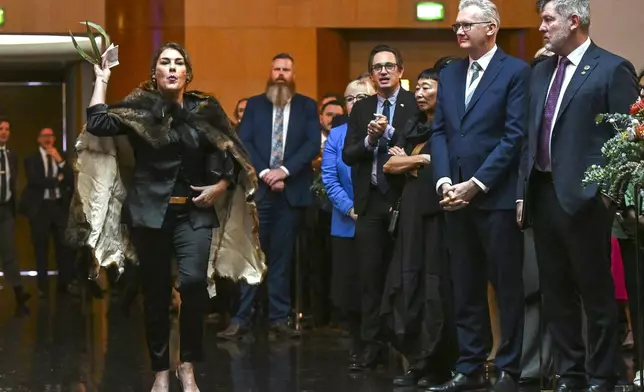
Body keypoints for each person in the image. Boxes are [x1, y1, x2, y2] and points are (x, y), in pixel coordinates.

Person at [67, 42, 265, 392]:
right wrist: (102, 77)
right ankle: (161, 370)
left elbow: (232, 154)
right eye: (164, 62)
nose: (172, 68)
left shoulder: (206, 109)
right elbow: (97, 122)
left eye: (178, 63)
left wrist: (219, 186)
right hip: (149, 213)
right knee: (156, 294)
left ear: (188, 72)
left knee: (192, 285)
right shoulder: (140, 109)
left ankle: (186, 365)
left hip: (195, 212)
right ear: (155, 73)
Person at [518, 1, 639, 391]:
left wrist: (605, 195)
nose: (541, 27)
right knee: (555, 292)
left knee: (596, 293)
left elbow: (627, 140)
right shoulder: (540, 72)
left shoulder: (611, 68)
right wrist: (523, 192)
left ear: (574, 21)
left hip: (587, 200)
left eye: (548, 19)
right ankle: (570, 374)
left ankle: (601, 375)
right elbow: (528, 135)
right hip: (543, 193)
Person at [428, 1, 530, 391]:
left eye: (467, 25)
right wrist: (443, 182)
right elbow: (439, 132)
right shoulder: (450, 73)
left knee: (506, 286)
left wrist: (476, 183)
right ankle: (469, 365)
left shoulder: (516, 72)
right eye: (456, 25)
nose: (459, 31)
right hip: (453, 196)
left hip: (496, 197)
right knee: (465, 285)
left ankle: (510, 367)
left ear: (491, 28)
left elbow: (514, 136)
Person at [218, 53, 320, 340]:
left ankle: (278, 318)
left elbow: (313, 144)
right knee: (252, 257)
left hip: (291, 194)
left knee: (281, 259)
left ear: (293, 74)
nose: (280, 74)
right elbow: (244, 141)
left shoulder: (307, 107)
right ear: (270, 71)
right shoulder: (255, 106)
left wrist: (284, 171)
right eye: (276, 68)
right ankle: (241, 318)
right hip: (259, 193)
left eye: (286, 69)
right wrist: (265, 172)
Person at [342, 44, 417, 370]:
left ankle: (406, 344)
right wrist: (371, 140)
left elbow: (417, 142)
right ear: (371, 75)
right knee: (369, 277)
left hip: (404, 200)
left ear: (401, 70)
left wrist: (389, 132)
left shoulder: (415, 104)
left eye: (389, 65)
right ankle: (373, 346)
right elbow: (348, 154)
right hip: (371, 202)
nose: (383, 71)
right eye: (377, 67)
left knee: (404, 276)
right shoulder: (362, 109)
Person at [381, 68, 457, 388]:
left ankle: (439, 363)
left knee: (436, 289)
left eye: (427, 87)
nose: (420, 93)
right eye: (418, 89)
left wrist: (413, 161)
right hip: (410, 218)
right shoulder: (413, 127)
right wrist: (423, 160)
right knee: (406, 286)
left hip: (438, 216)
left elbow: (446, 162)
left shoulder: (453, 128)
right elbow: (389, 164)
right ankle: (416, 361)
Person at [321, 78, 375, 368]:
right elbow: (329, 178)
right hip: (346, 223)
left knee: (375, 286)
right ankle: (358, 344)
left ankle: (377, 344)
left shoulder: (381, 131)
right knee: (349, 290)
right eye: (351, 98)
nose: (356, 103)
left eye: (362, 97)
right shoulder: (337, 135)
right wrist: (351, 208)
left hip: (378, 221)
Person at [20, 127, 75, 297]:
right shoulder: (31, 159)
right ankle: (42, 287)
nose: (48, 138)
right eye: (44, 135)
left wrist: (59, 161)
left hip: (58, 207)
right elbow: (37, 181)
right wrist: (57, 180)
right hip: (40, 208)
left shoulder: (61, 157)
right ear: (38, 139)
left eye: (50, 135)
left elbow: (70, 179)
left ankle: (64, 285)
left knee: (64, 248)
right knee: (41, 249)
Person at [0, 117, 31, 316]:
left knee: (9, 251)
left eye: (7, 129)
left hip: (5, 209)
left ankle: (19, 292)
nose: (3, 132)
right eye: (0, 128)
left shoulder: (12, 155)